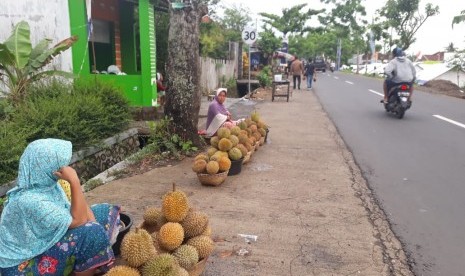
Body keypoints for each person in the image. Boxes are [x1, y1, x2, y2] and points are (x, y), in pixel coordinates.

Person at [0, 139, 120, 276]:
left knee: (105, 211)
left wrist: (95, 234)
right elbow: (80, 220)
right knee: (93, 232)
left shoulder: (47, 186)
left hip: (42, 244)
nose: (65, 168)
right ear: (45, 167)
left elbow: (81, 214)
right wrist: (75, 181)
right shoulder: (30, 200)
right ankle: (85, 268)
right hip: (23, 267)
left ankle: (88, 260)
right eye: (59, 164)